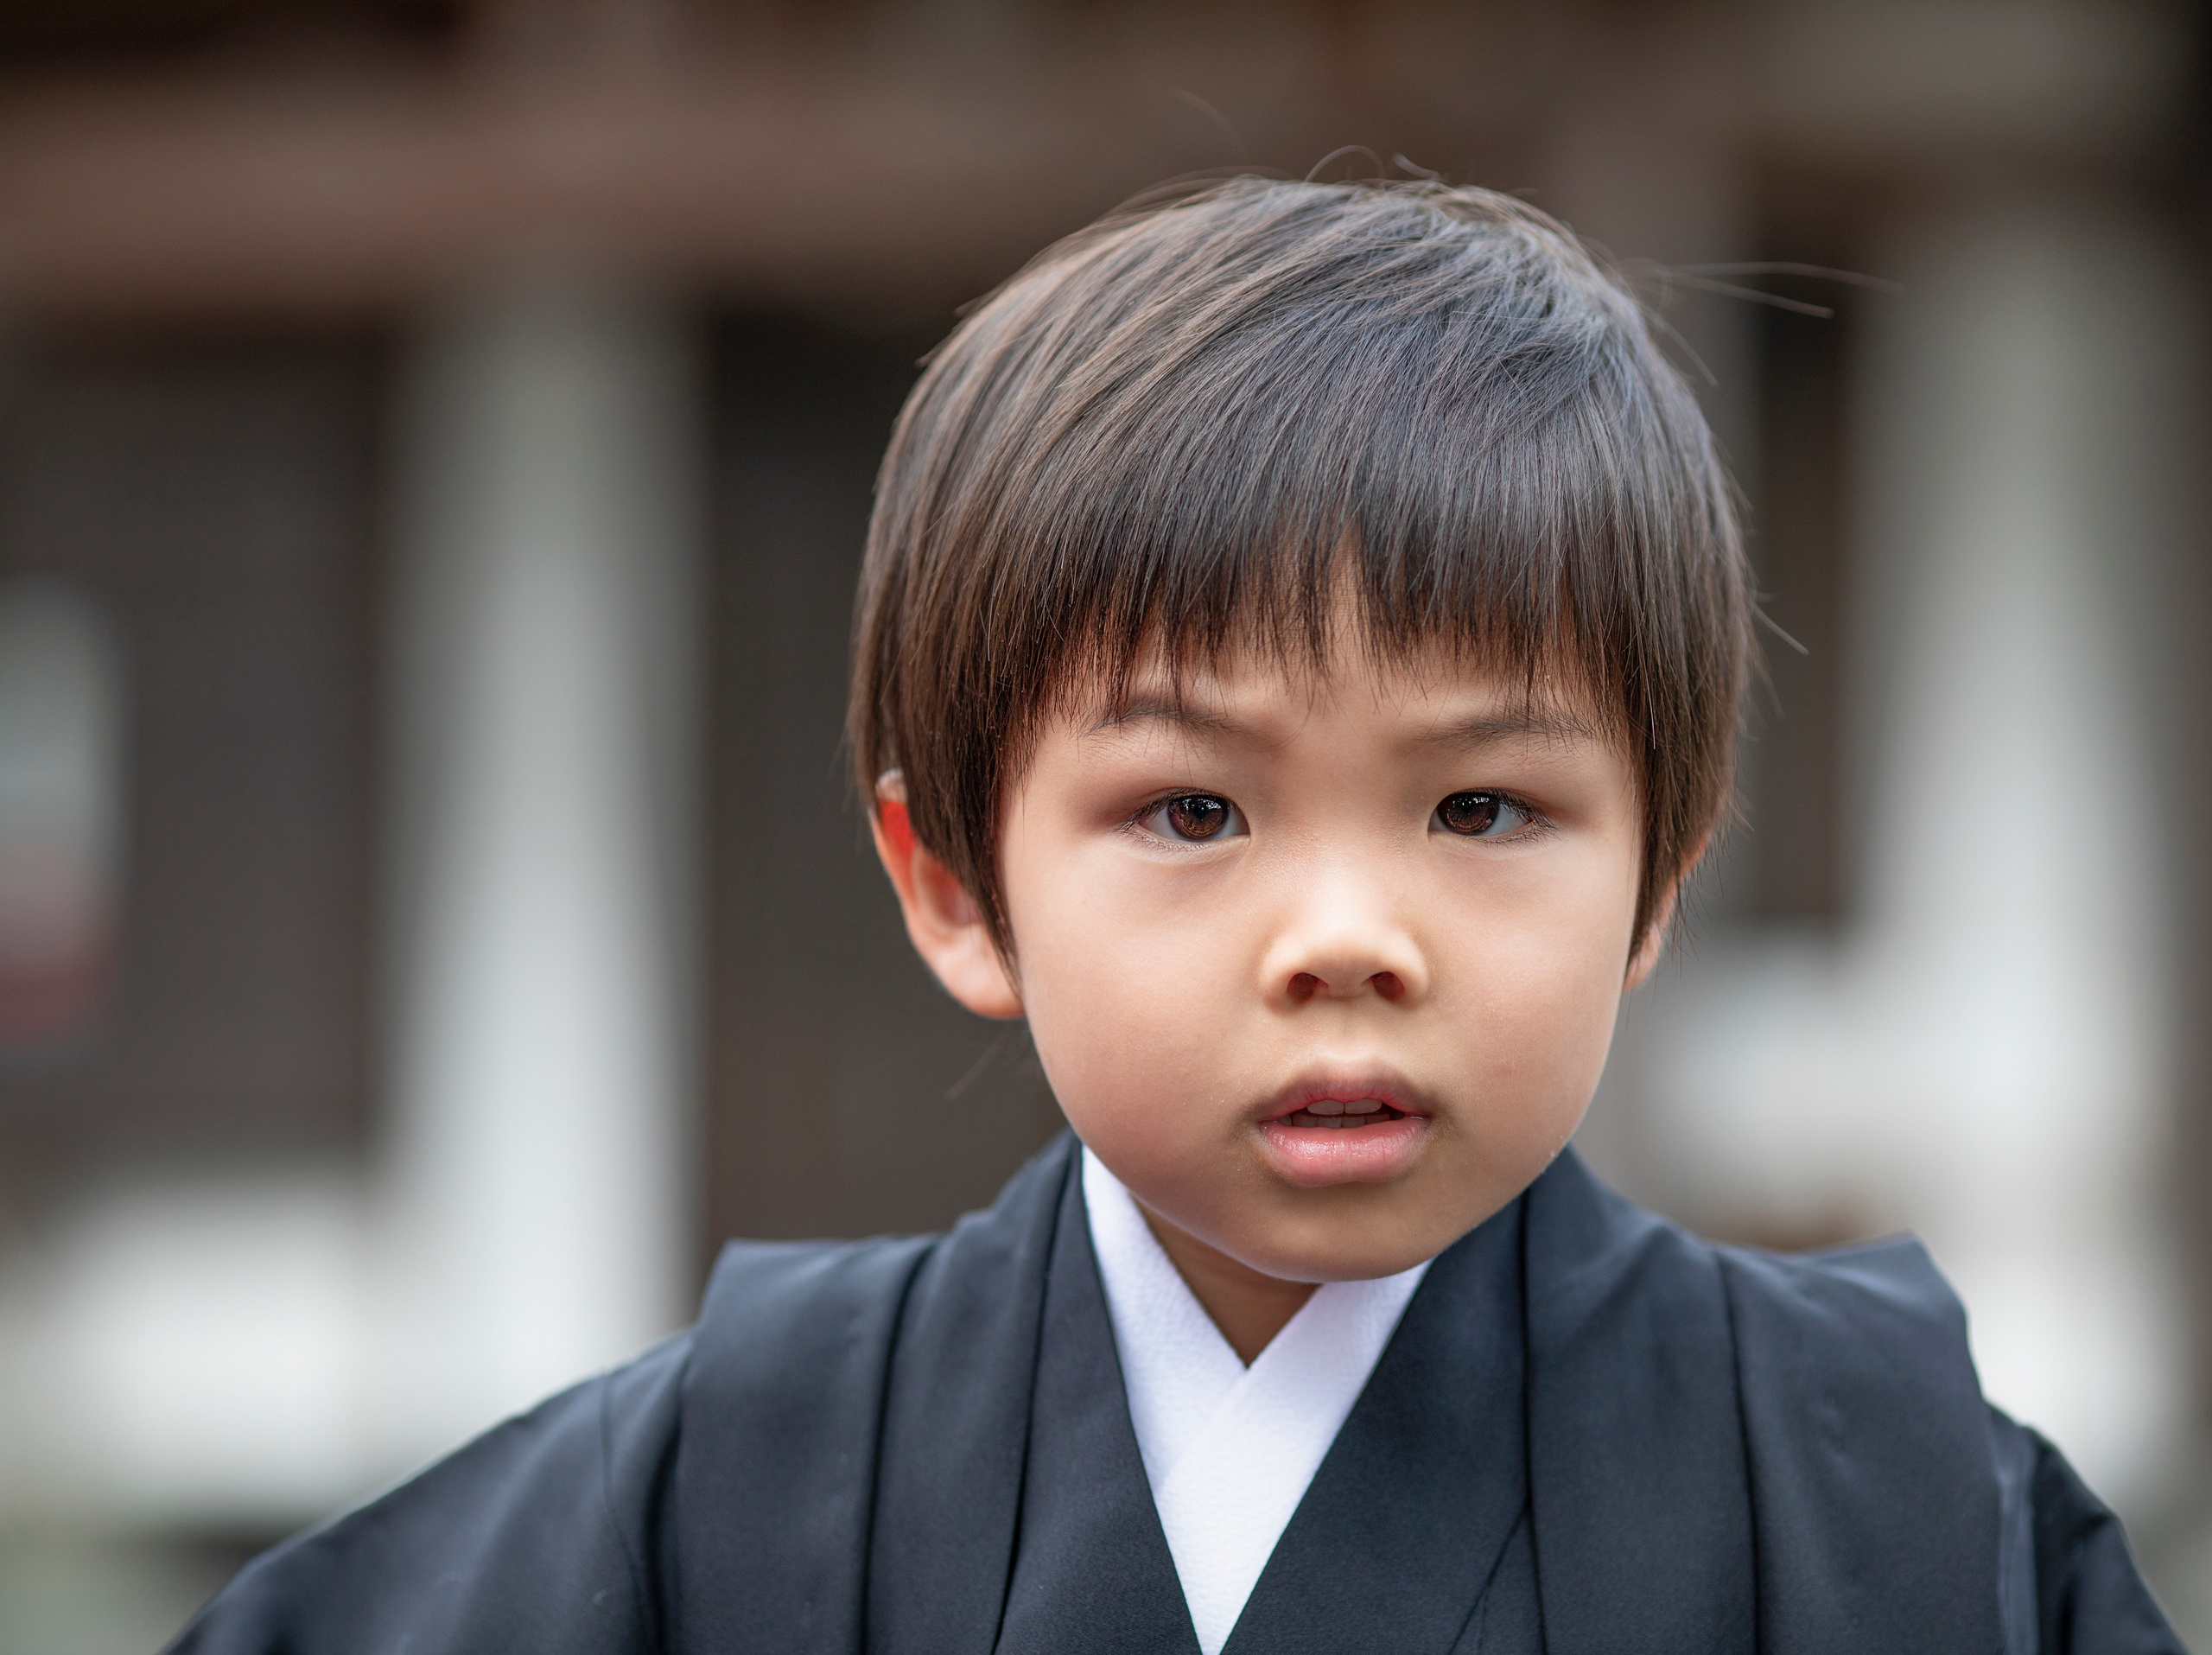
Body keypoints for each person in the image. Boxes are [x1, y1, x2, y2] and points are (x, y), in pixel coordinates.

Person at [170, 178, 2183, 1654]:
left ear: (1658, 873)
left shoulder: (1883, 1499)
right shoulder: (733, 1490)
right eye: (1191, 808)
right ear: (953, 888)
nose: (1346, 933)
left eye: (1480, 807)